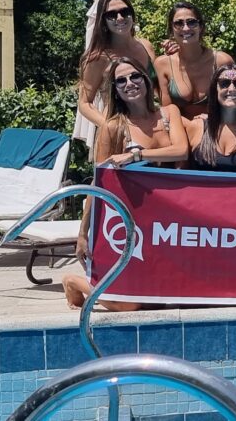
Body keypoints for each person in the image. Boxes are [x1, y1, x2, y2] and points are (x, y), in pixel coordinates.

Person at [67, 57, 190, 312]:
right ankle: (74, 282)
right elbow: (99, 182)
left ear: (146, 79)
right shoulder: (113, 127)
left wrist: (136, 155)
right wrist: (82, 234)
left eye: (135, 76)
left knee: (174, 297)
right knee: (131, 305)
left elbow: (181, 150)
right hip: (134, 222)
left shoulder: (169, 114)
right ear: (115, 89)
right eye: (121, 81)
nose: (129, 83)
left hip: (169, 222)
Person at [78, 0, 158, 130]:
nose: (120, 18)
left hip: (153, 124)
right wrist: (111, 127)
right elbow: (84, 103)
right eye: (112, 15)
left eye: (125, 12)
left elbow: (159, 87)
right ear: (103, 21)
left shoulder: (146, 46)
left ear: (132, 14)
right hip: (121, 130)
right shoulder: (98, 58)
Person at [155, 2, 235, 120]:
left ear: (201, 26)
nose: (186, 28)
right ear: (171, 28)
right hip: (181, 128)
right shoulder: (162, 64)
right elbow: (168, 113)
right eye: (178, 23)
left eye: (191, 22)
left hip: (219, 126)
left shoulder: (221, 61)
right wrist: (192, 127)